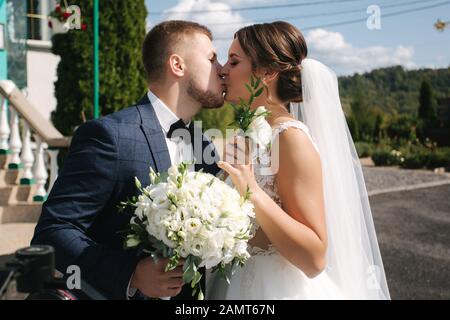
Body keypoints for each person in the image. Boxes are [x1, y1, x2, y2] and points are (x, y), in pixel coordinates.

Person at [31, 20, 223, 300]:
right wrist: (131, 273)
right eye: (212, 58)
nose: (221, 69)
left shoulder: (203, 143)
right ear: (177, 65)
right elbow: (52, 232)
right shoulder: (108, 136)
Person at [208, 21, 390, 299]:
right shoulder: (250, 133)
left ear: (267, 72)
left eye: (233, 62)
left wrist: (252, 191)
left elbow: (314, 258)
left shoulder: (290, 138)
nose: (222, 69)